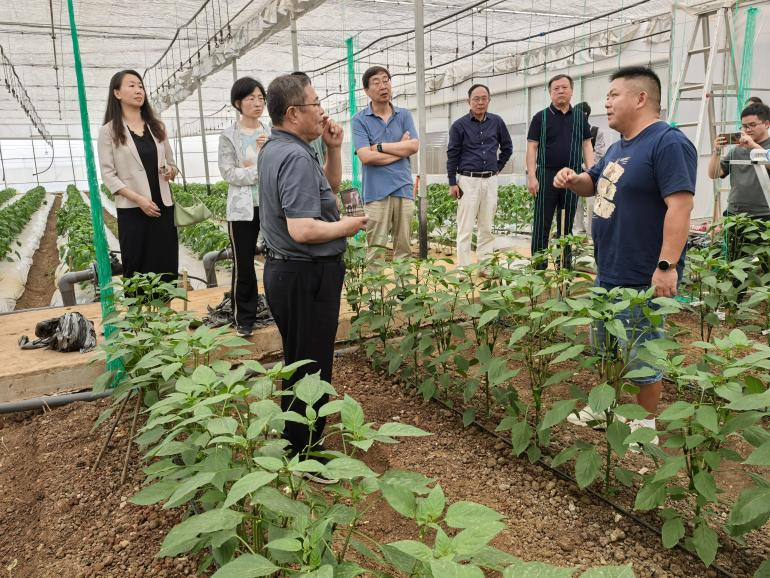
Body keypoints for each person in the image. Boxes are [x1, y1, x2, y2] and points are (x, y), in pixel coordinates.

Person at [553, 66, 696, 443]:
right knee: (606, 346)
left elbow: (680, 206)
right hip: (610, 269)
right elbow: (592, 183)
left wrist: (666, 266)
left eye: (614, 94)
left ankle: (642, 425)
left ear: (640, 98)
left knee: (643, 352)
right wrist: (572, 178)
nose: (606, 102)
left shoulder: (668, 143)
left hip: (642, 273)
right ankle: (604, 409)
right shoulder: (619, 146)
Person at [258, 74, 367, 472]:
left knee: (300, 360)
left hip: (289, 274)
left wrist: (334, 149)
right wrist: (348, 227)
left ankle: (296, 440)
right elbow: (303, 228)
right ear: (293, 112)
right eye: (315, 104)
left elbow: (325, 190)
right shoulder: (293, 156)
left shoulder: (280, 149)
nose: (321, 111)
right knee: (311, 368)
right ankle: (307, 455)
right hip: (306, 275)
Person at [98, 69, 179, 283]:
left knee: (166, 267)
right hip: (134, 210)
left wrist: (170, 171)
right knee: (138, 268)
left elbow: (172, 164)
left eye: (141, 86)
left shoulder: (156, 126)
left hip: (162, 207)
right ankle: (142, 317)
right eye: (131, 85)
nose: (138, 90)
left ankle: (167, 315)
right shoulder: (109, 131)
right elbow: (108, 174)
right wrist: (139, 199)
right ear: (117, 93)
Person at [218, 77, 269, 337]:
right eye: (251, 98)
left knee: (277, 258)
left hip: (271, 205)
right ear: (238, 102)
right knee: (244, 264)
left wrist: (255, 167)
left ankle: (275, 308)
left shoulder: (272, 130)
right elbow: (228, 172)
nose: (257, 103)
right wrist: (258, 169)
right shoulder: (229, 136)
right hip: (242, 209)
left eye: (261, 98)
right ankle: (245, 318)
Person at [526, 74, 595, 268]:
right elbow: (532, 147)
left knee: (567, 222)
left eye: (564, 87)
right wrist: (532, 177)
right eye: (556, 88)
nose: (560, 91)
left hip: (572, 177)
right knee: (542, 222)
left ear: (572, 91)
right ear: (550, 93)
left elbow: (587, 145)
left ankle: (563, 265)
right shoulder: (541, 117)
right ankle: (538, 268)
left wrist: (591, 173)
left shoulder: (580, 117)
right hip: (546, 175)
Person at [352, 66, 420, 261]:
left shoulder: (404, 115)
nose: (383, 86)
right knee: (375, 250)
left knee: (404, 249)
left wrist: (380, 147)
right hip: (375, 193)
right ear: (366, 91)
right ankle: (375, 292)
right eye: (376, 82)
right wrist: (400, 147)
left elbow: (414, 146)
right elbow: (366, 157)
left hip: (403, 189)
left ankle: (404, 291)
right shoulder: (359, 120)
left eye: (386, 80)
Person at [446, 83, 513, 267]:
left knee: (487, 227)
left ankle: (484, 266)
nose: (480, 102)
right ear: (468, 101)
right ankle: (464, 269)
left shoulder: (497, 122)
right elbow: (452, 154)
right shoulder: (459, 125)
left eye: (484, 98)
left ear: (489, 100)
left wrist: (498, 167)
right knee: (465, 228)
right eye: (476, 98)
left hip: (490, 180)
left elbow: (507, 147)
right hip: (468, 181)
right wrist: (452, 182)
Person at [708, 102, 770, 221]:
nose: (748, 130)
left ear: (767, 124)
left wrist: (753, 146)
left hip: (763, 215)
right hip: (734, 214)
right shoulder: (737, 149)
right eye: (744, 126)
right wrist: (717, 151)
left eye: (752, 125)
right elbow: (714, 173)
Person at [573, 102, 606, 236]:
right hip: (575, 172)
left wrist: (587, 167)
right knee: (576, 205)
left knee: (592, 204)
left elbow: (600, 154)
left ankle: (591, 233)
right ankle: (579, 230)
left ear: (585, 115)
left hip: (591, 173)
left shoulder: (596, 131)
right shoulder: (572, 132)